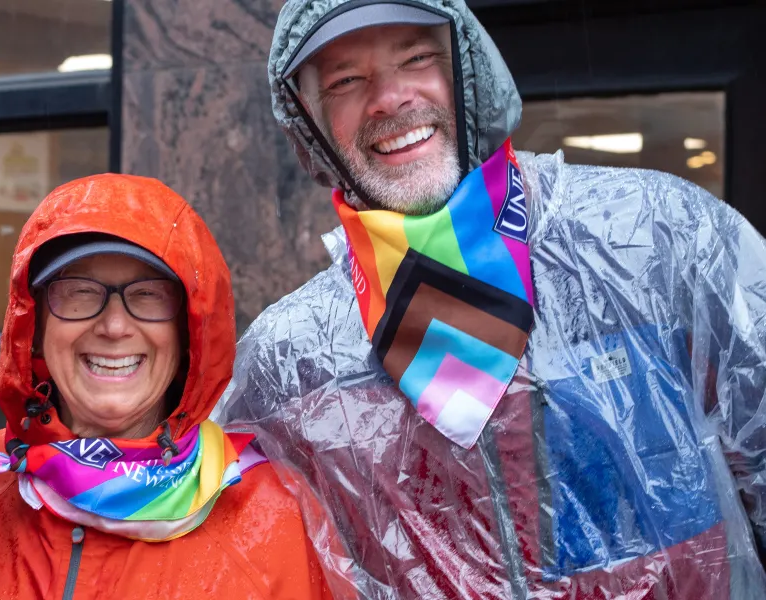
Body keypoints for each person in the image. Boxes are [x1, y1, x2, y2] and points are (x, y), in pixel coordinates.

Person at [215, 0, 766, 598]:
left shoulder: (661, 237)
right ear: (308, 121)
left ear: (468, 69)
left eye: (417, 58)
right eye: (347, 80)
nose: (390, 98)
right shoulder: (287, 364)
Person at [0, 173, 332, 599]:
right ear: (37, 325)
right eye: (79, 291)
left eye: (148, 295)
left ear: (188, 333)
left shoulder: (273, 521)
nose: (114, 325)